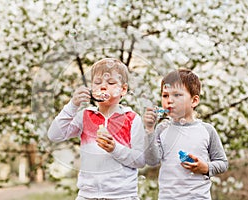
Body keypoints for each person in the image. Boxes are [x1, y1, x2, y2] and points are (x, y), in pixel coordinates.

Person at [48, 58, 145, 200]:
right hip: (87, 195)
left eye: (111, 83)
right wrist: (72, 105)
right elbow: (54, 135)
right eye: (97, 82)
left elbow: (140, 160)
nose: (103, 86)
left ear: (123, 90)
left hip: (122, 196)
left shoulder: (132, 119)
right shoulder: (85, 116)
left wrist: (114, 149)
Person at [143, 68, 228, 199]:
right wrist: (149, 130)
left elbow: (222, 163)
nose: (169, 100)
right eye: (165, 95)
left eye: (177, 95)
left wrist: (205, 168)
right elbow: (152, 160)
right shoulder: (162, 129)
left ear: (194, 101)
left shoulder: (207, 130)